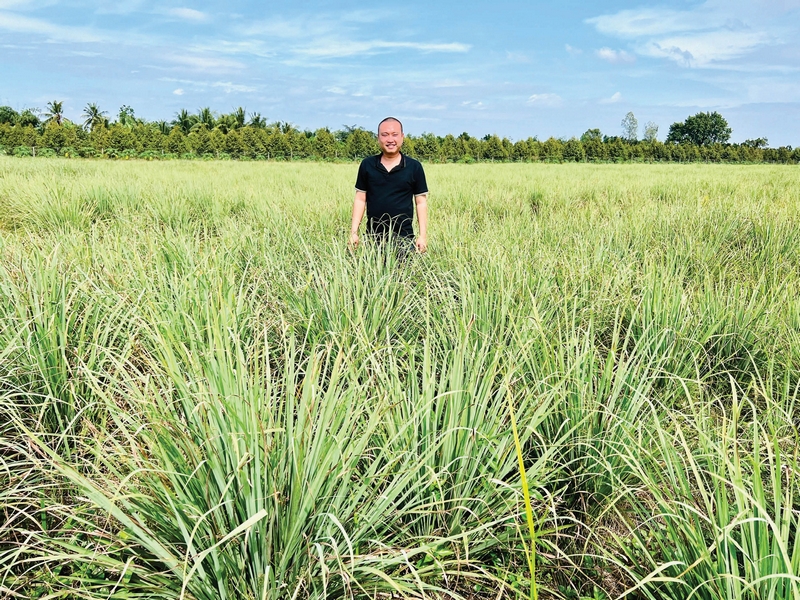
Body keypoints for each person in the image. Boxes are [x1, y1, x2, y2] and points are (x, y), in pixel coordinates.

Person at [348, 117, 428, 256]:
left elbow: (421, 203)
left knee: (405, 275)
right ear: (378, 137)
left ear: (402, 137)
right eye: (385, 135)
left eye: (394, 134)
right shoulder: (367, 165)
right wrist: (354, 232)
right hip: (373, 239)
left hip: (404, 238)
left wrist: (422, 236)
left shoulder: (414, 167)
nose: (390, 139)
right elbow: (360, 199)